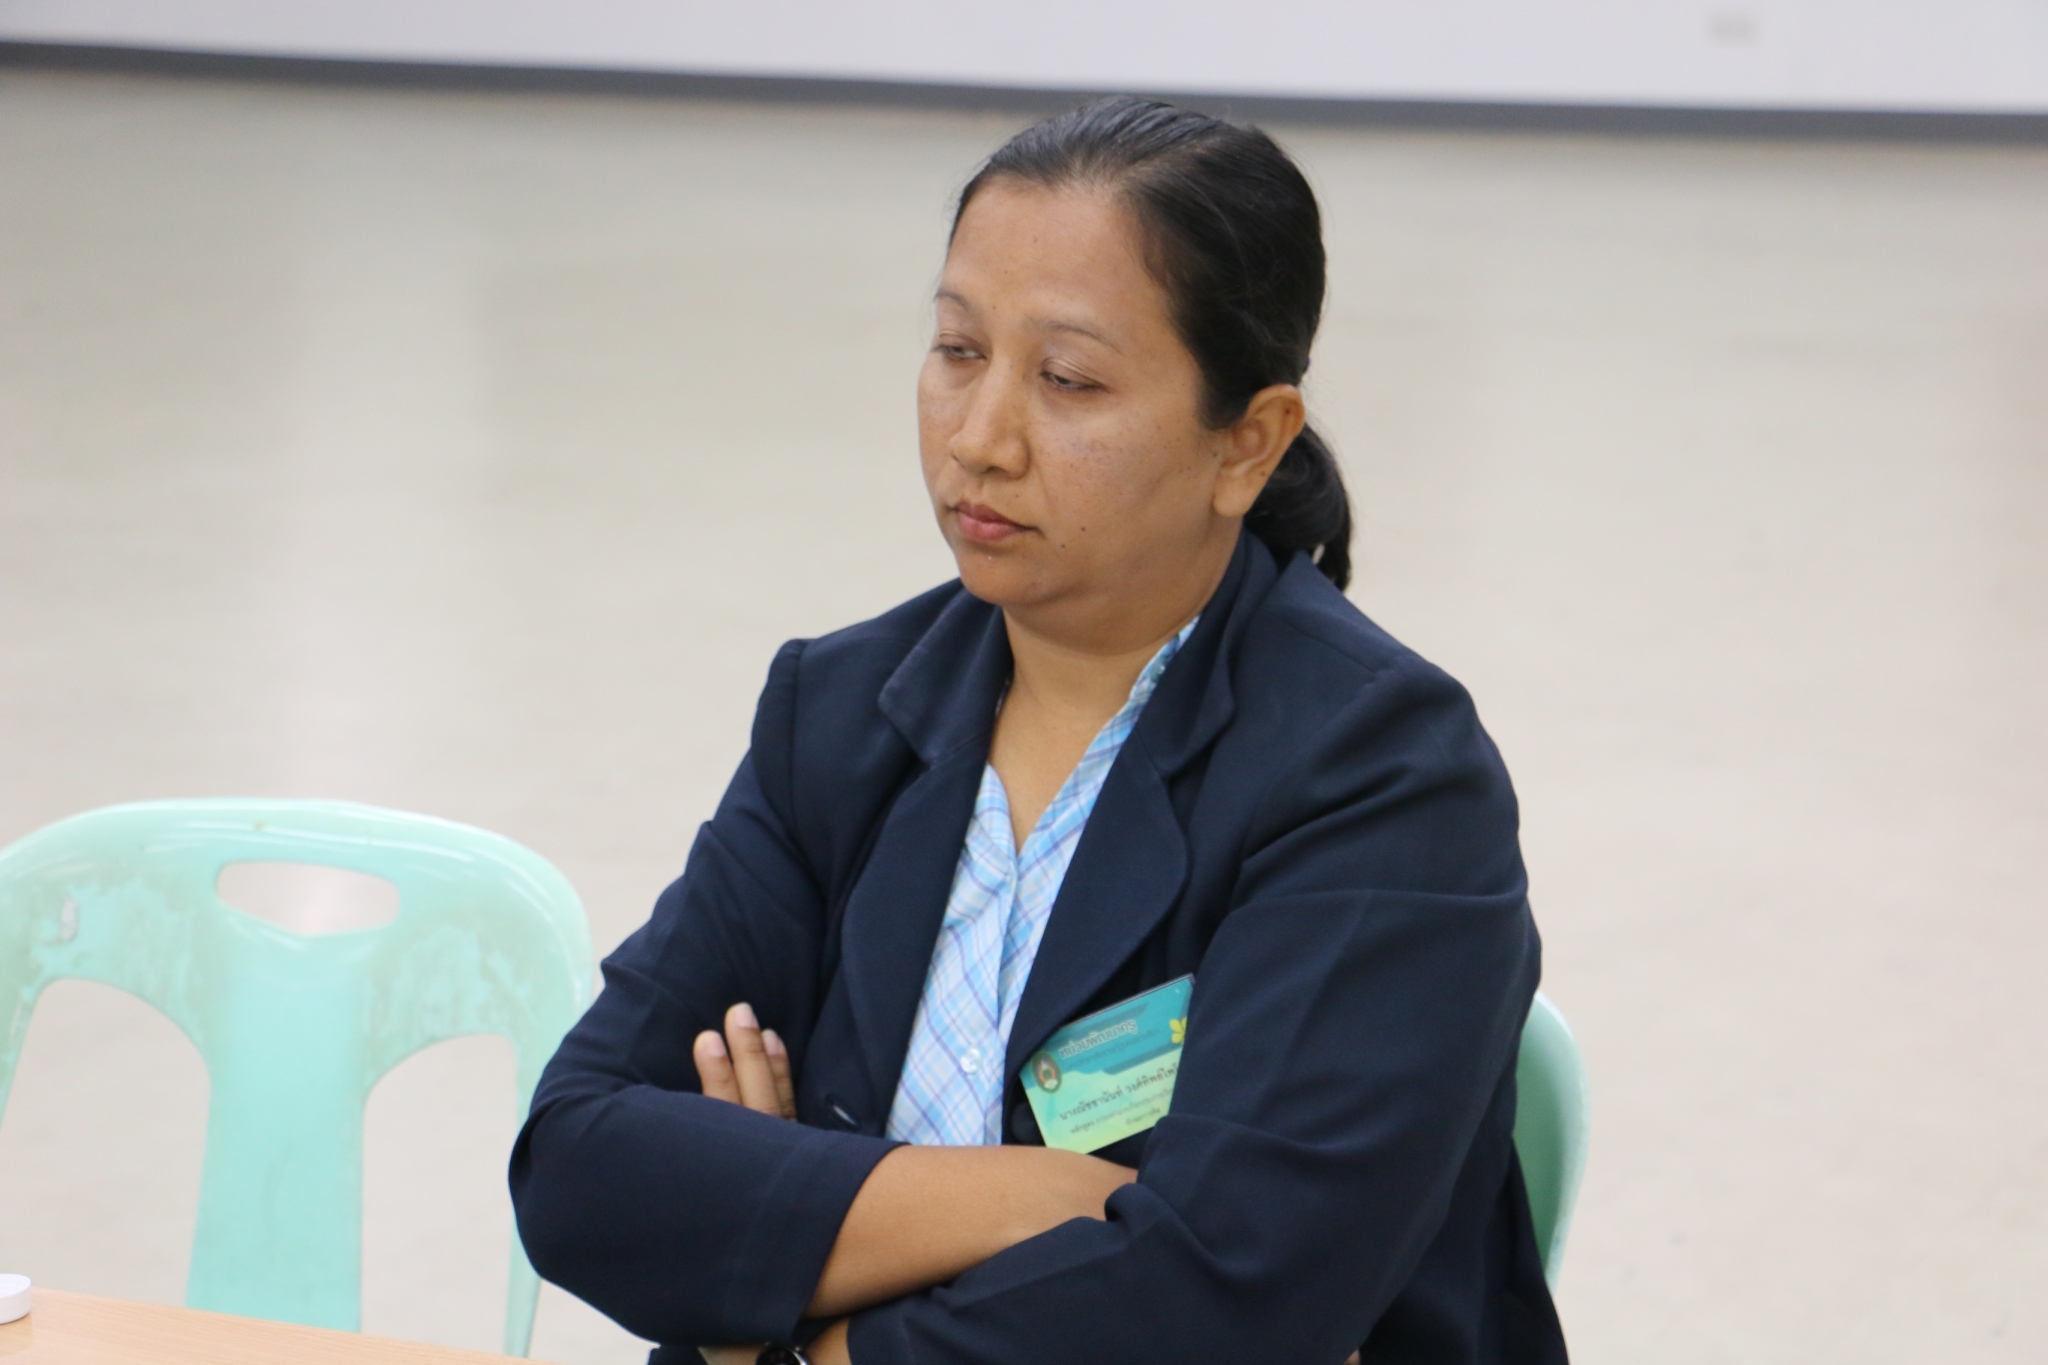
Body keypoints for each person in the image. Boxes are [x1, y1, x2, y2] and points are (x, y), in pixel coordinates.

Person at [509, 97, 1565, 1365]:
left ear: (1247, 443)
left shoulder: (1380, 776)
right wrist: (1037, 1201)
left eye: (1067, 380)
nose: (978, 437)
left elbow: (1225, 1298)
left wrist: (788, 1304)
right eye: (957, 350)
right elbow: (577, 1163)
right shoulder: (840, 713)